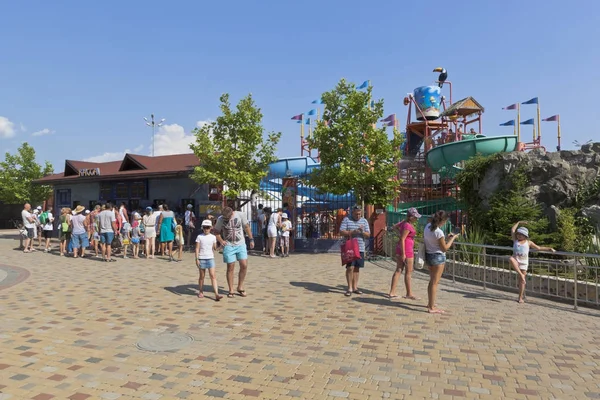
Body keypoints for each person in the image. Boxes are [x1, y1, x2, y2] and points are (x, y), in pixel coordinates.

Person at [509, 221, 555, 303]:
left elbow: (538, 248)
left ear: (525, 236)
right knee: (511, 259)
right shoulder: (515, 240)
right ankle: (521, 275)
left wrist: (549, 248)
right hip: (516, 260)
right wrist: (519, 222)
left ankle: (520, 298)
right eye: (518, 234)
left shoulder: (528, 242)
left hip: (524, 262)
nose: (518, 235)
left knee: (521, 282)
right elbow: (512, 229)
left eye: (521, 234)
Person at [214, 207, 255, 298]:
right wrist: (221, 241)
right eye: (225, 218)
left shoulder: (240, 215)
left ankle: (240, 286)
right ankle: (231, 289)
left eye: (228, 218)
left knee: (244, 265)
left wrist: (251, 239)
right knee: (230, 267)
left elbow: (246, 227)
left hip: (240, 243)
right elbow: (216, 231)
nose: (226, 219)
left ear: (232, 213)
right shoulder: (221, 219)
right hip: (229, 245)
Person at [423, 210, 458, 314]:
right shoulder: (439, 232)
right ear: (443, 220)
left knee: (431, 281)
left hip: (429, 255)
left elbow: (434, 241)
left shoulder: (427, 226)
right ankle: (431, 307)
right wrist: (453, 239)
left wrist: (445, 238)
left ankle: (431, 303)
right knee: (435, 282)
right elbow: (445, 248)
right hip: (438, 257)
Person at [389, 207, 421, 299]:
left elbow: (394, 227)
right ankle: (409, 293)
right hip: (406, 250)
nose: (416, 219)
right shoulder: (408, 225)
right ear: (411, 217)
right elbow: (403, 239)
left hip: (401, 248)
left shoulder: (404, 223)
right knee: (408, 272)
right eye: (415, 217)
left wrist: (399, 233)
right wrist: (404, 254)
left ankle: (392, 292)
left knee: (399, 270)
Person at [339, 206, 371, 297]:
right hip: (350, 248)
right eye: (356, 214)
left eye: (359, 214)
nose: (358, 216)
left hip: (360, 247)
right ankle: (349, 288)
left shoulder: (364, 221)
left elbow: (368, 234)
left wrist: (361, 232)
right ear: (352, 213)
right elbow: (341, 231)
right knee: (350, 267)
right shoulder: (346, 220)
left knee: (357, 268)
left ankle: (355, 287)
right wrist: (353, 232)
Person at [195, 219, 223, 301]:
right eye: (204, 227)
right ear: (202, 228)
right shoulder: (199, 237)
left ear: (211, 228)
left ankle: (216, 294)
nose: (206, 229)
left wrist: (221, 246)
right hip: (202, 258)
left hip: (210, 258)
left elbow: (215, 248)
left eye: (207, 227)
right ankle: (200, 291)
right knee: (202, 276)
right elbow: (197, 248)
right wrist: (196, 259)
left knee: (213, 276)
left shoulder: (213, 237)